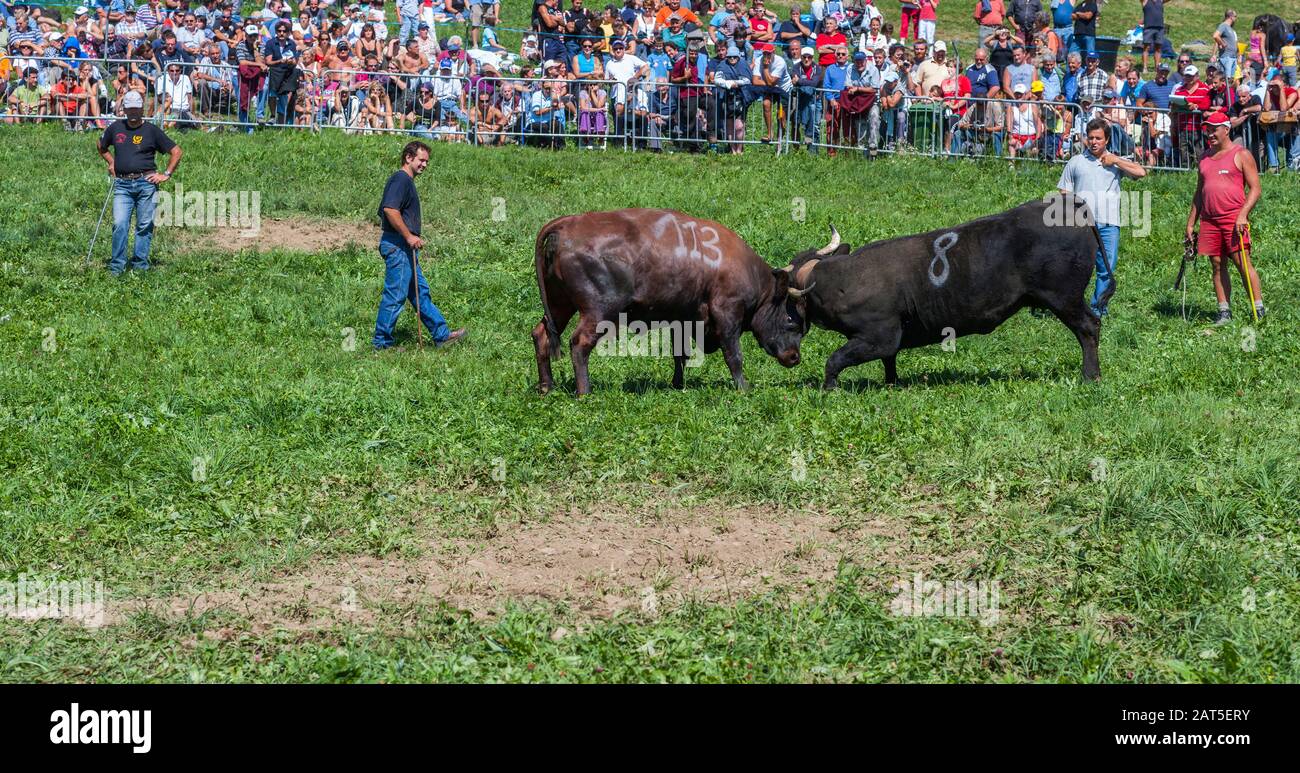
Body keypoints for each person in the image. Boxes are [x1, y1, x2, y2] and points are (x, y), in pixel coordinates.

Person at [373, 142, 466, 351]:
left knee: (420, 293)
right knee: (395, 295)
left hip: (403, 247)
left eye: (426, 161)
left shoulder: (405, 181)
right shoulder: (401, 180)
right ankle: (382, 344)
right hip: (398, 246)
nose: (425, 164)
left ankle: (441, 335)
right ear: (408, 157)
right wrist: (408, 236)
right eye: (421, 160)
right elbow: (389, 209)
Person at [1057, 117, 1146, 317]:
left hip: (1109, 223)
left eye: (1098, 138)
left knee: (1107, 268)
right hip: (1081, 224)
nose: (1094, 142)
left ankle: (1098, 309)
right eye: (1090, 138)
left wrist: (1115, 160)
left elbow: (1141, 172)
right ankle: (1071, 307)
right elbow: (1064, 191)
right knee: (1075, 267)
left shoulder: (1115, 162)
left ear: (1106, 139)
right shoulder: (1076, 161)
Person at [1187, 111, 1264, 325]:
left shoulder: (1241, 154)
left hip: (1233, 218)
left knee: (1242, 263)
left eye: (1213, 129)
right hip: (1209, 220)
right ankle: (1224, 311)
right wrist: (1191, 223)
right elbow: (1199, 192)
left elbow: (1255, 189)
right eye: (1207, 129)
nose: (1209, 133)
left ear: (1226, 129)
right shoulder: (1204, 157)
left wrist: (1242, 215)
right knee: (1217, 264)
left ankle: (1258, 309)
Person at [96, 90, 182, 276]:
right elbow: (101, 145)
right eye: (130, 109)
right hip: (122, 184)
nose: (133, 112)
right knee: (120, 224)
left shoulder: (151, 130)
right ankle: (117, 266)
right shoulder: (115, 128)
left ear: (142, 108)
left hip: (146, 183)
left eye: (136, 109)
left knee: (144, 225)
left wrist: (166, 174)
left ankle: (140, 265)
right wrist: (112, 162)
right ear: (124, 109)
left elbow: (176, 151)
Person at [1139, 0, 1164, 74]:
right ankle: (1145, 68)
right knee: (1146, 48)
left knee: (1158, 48)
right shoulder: (1145, 1)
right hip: (1148, 27)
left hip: (1160, 27)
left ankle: (1157, 68)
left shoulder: (1161, 1)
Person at [1213, 10, 1238, 82]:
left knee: (1230, 80)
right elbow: (1215, 36)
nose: (1236, 19)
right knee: (1226, 80)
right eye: (1235, 16)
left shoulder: (1230, 28)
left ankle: (1228, 93)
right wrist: (1222, 44)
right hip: (1227, 57)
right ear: (1231, 17)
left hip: (1232, 57)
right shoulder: (1223, 26)